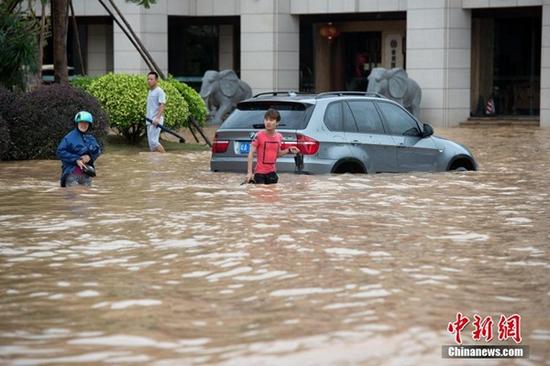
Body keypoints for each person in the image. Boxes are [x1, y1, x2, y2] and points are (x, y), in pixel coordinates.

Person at [245, 108, 299, 184]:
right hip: (260, 174)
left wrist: (289, 150)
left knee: (273, 194)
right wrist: (249, 173)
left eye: (271, 120)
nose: (268, 122)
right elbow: (251, 153)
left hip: (272, 173)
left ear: (277, 122)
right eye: (266, 120)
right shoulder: (259, 135)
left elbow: (276, 154)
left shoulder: (279, 137)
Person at [56, 111, 101, 187]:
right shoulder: (69, 137)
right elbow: (60, 152)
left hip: (87, 174)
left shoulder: (91, 138)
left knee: (86, 197)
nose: (84, 125)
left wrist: (90, 157)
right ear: (77, 123)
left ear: (89, 125)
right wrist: (76, 159)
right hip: (71, 174)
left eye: (86, 123)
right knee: (74, 196)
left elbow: (97, 151)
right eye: (81, 122)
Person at [146, 71, 166, 153]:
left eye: (151, 79)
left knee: (154, 142)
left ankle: (166, 157)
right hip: (149, 120)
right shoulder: (150, 91)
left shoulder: (159, 91)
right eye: (148, 79)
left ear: (156, 80)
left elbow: (162, 105)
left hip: (156, 120)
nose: (149, 81)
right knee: (151, 144)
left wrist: (157, 118)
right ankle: (155, 162)